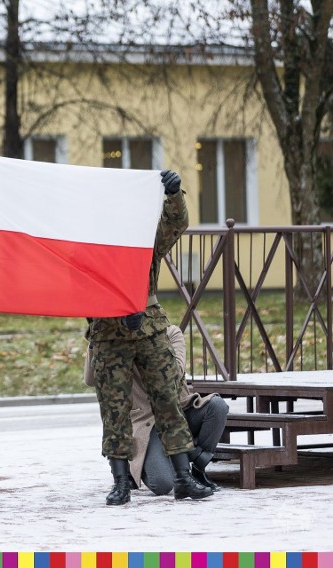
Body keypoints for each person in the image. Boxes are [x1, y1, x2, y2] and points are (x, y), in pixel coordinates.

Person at [86, 169, 214, 505]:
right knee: (114, 410)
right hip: (108, 335)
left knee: (169, 402)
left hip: (150, 329)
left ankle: (185, 478)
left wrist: (173, 195)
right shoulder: (88, 249)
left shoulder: (142, 240)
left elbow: (175, 225)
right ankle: (120, 483)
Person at [85, 324, 229, 495]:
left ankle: (197, 469)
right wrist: (96, 341)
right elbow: (91, 379)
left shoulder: (170, 332)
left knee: (217, 407)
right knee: (162, 484)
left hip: (178, 411)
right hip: (148, 421)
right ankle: (142, 465)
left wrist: (149, 343)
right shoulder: (113, 340)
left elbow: (176, 373)